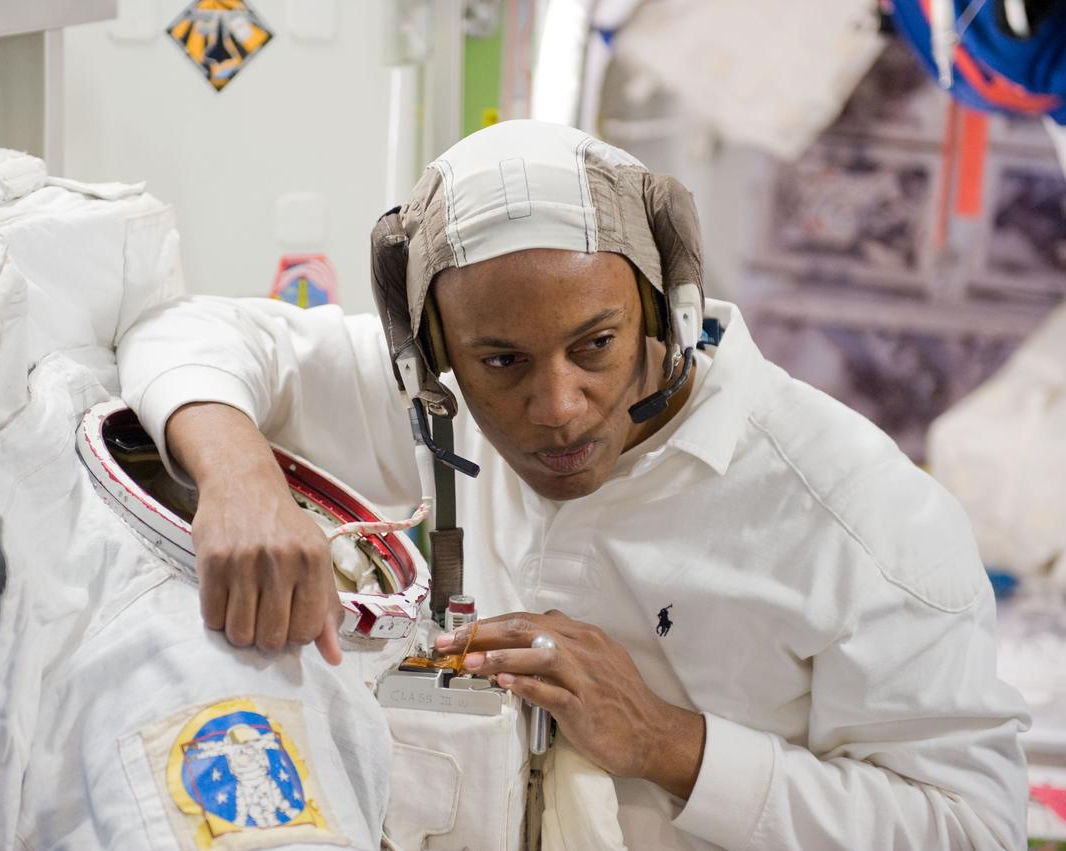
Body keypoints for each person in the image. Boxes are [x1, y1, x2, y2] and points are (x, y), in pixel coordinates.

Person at [118, 120, 1030, 850]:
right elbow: (178, 333)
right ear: (431, 356)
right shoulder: (441, 403)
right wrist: (239, 474)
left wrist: (669, 743)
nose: (556, 407)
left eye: (595, 345)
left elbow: (973, 827)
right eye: (502, 361)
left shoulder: (861, 517)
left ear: (665, 309)